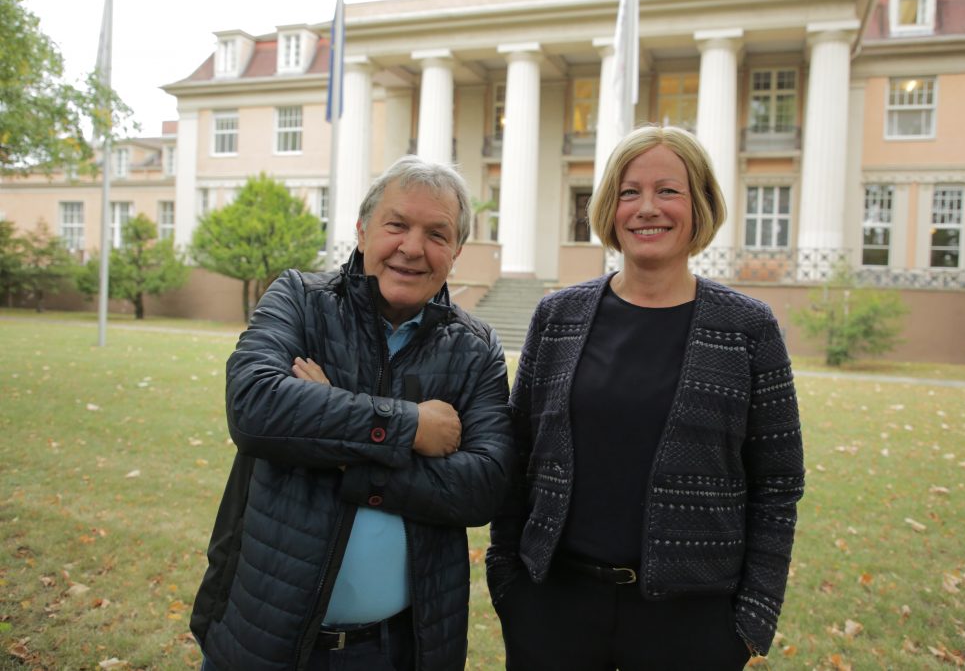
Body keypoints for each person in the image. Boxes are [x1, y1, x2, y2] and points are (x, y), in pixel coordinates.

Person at [486, 125, 804, 670]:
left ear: (699, 204)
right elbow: (518, 455)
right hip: (554, 605)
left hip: (690, 624)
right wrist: (509, 581)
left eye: (668, 191)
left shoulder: (749, 329)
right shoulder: (557, 318)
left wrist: (751, 622)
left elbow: (778, 484)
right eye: (629, 192)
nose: (646, 208)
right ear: (610, 207)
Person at [191, 156, 514, 671]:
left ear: (456, 251)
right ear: (362, 231)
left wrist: (345, 455)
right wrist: (412, 426)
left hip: (399, 649)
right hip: (262, 635)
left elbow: (484, 488)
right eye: (396, 224)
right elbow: (254, 406)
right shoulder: (300, 298)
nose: (412, 247)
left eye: (437, 233)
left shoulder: (476, 348)